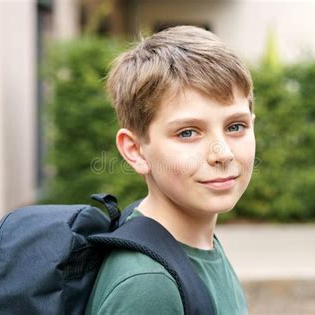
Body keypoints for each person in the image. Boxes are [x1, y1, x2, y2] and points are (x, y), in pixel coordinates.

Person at [85, 25, 256, 315]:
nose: (223, 154)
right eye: (188, 133)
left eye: (235, 126)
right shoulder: (148, 286)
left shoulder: (198, 242)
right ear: (135, 150)